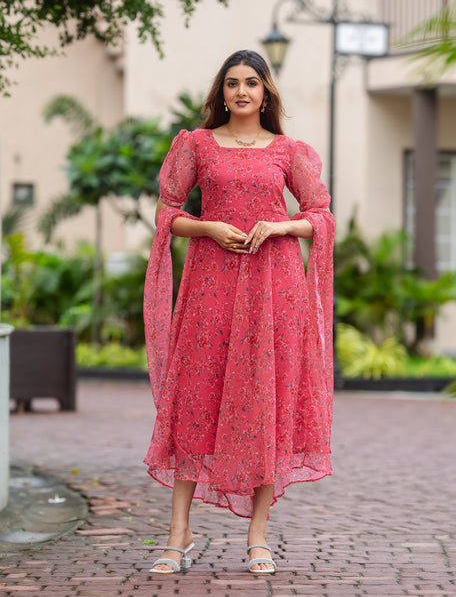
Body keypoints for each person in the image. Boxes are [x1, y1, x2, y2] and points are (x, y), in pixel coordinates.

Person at [143, 49, 335, 575]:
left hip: (275, 290)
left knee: (267, 400)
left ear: (267, 92)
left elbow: (320, 214)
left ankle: (258, 537)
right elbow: (168, 213)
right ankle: (178, 534)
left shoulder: (289, 151)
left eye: (252, 82)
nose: (242, 91)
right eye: (232, 83)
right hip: (210, 286)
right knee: (195, 397)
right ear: (221, 92)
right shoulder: (197, 145)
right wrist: (208, 227)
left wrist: (279, 227)